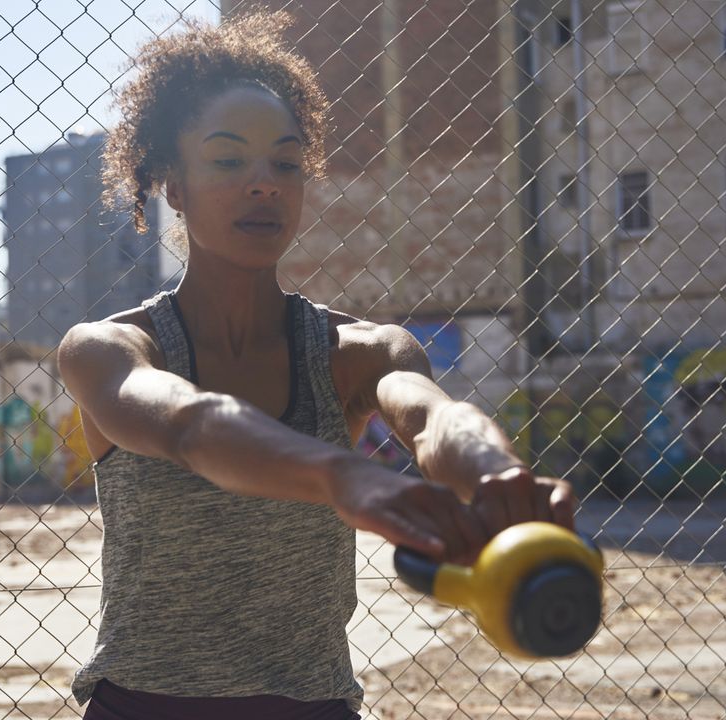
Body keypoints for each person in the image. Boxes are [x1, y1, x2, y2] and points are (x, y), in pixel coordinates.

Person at [58, 11, 576, 719]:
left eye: (286, 162)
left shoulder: (362, 351)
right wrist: (347, 477)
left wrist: (492, 469)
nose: (265, 183)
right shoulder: (108, 350)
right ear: (172, 184)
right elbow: (190, 425)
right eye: (229, 160)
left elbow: (431, 416)